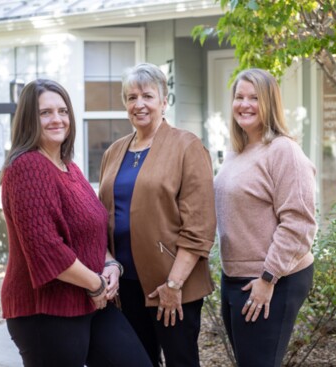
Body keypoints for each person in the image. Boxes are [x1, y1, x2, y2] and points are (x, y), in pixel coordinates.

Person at [0, 79, 152, 367]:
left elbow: (93, 230)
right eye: (45, 113)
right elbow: (46, 250)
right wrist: (96, 284)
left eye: (62, 111)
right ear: (28, 120)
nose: (57, 119)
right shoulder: (27, 167)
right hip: (45, 311)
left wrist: (110, 265)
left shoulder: (69, 167)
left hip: (90, 299)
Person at [98, 63, 216, 367]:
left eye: (148, 96)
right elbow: (102, 216)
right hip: (126, 285)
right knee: (137, 361)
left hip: (172, 284)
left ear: (164, 101)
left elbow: (199, 226)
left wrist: (173, 285)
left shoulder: (186, 146)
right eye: (131, 97)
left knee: (181, 361)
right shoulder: (114, 152)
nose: (139, 104)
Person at [214, 68, 317, 367]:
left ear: (269, 103)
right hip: (236, 277)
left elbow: (299, 222)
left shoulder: (283, 150)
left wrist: (268, 278)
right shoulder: (238, 151)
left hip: (273, 277)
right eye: (239, 97)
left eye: (254, 98)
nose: (244, 104)